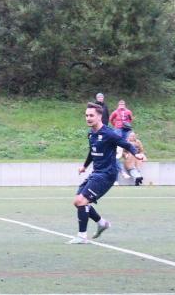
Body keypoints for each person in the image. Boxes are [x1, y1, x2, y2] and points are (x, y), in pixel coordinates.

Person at [69, 103, 144, 244]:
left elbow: (127, 144)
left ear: (99, 116)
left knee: (81, 201)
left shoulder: (109, 133)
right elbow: (92, 152)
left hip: (107, 174)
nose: (88, 118)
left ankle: (82, 236)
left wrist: (137, 154)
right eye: (86, 115)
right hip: (96, 173)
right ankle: (101, 223)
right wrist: (84, 166)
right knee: (77, 202)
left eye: (91, 115)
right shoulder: (91, 134)